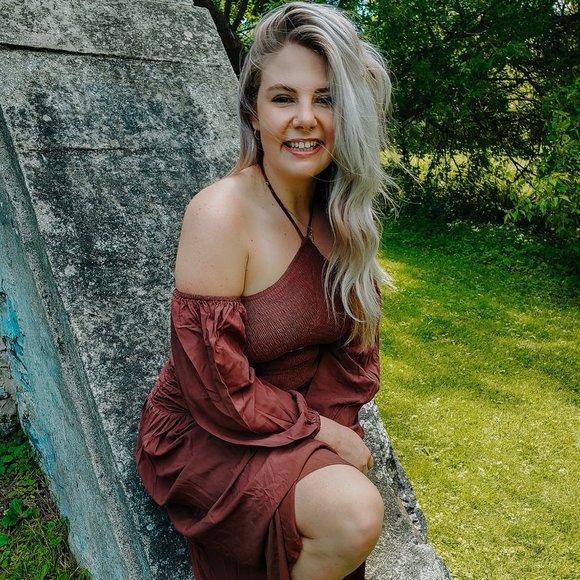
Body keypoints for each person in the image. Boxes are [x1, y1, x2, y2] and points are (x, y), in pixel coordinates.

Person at [136, 2, 395, 579]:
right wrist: (322, 434)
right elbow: (215, 387)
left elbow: (351, 360)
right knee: (354, 516)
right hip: (205, 429)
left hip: (287, 423)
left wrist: (327, 440)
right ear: (253, 112)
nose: (305, 118)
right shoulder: (221, 214)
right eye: (283, 98)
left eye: (325, 98)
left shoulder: (344, 216)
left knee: (345, 503)